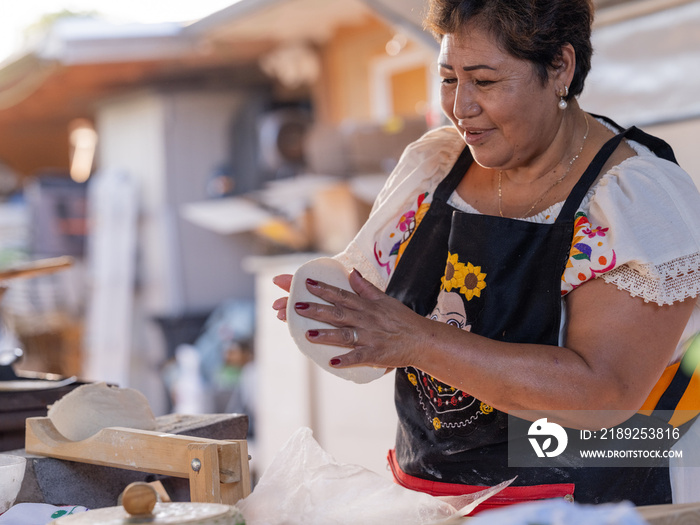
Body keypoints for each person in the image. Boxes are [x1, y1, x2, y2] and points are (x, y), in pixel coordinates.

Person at [273, 0, 700, 508]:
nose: (461, 106)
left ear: (559, 67)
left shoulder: (632, 198)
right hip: (433, 490)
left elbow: (604, 394)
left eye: (485, 81)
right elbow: (381, 299)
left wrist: (415, 341)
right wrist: (347, 320)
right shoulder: (435, 166)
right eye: (449, 78)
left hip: (587, 496)